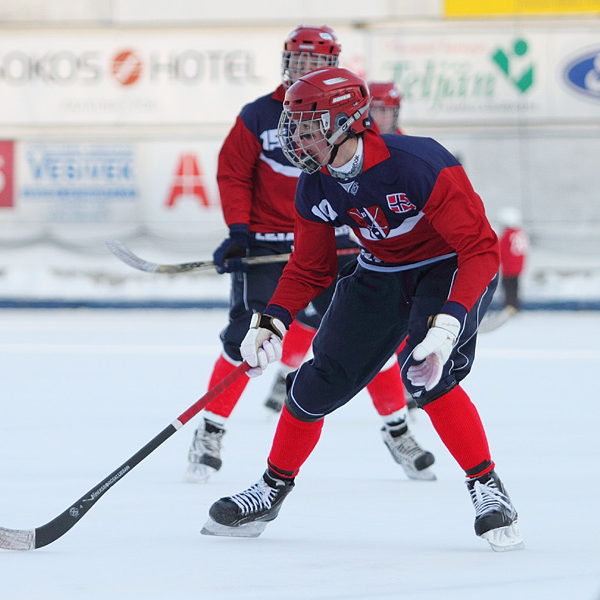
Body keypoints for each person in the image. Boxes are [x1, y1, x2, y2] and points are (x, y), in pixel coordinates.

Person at [200, 67, 524, 552]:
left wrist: (451, 317)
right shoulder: (316, 183)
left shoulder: (418, 162)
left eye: (307, 127)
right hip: (381, 271)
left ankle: (486, 485)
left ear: (346, 121)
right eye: (294, 127)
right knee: (312, 385)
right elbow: (310, 267)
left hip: (448, 267)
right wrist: (271, 319)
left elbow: (480, 248)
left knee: (425, 372)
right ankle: (270, 491)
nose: (297, 139)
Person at [186, 25, 435, 484]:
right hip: (269, 243)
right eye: (296, 59)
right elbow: (233, 174)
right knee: (246, 338)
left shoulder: (344, 116)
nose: (303, 69)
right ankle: (210, 429)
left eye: (314, 61)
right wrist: (239, 231)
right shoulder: (257, 115)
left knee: (370, 333)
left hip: (329, 239)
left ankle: (397, 429)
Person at [497, 207, 529, 314]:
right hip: (518, 267)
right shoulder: (520, 233)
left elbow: (501, 250)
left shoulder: (507, 235)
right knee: (515, 288)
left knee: (508, 288)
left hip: (508, 267)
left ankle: (510, 308)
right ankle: (515, 306)